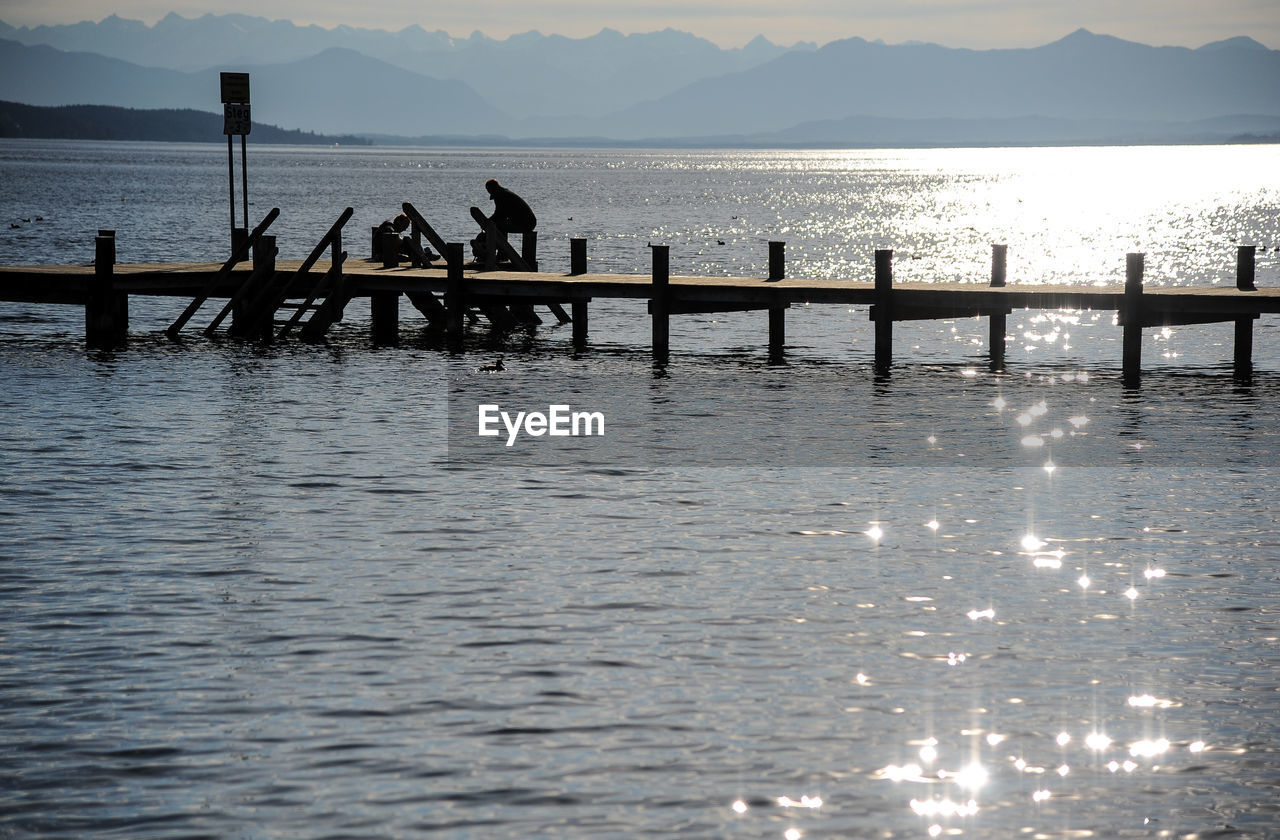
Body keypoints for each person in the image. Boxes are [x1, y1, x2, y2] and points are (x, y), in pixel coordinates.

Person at [470, 179, 537, 265]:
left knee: (499, 227)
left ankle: (502, 254)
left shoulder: (501, 195)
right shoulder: (503, 193)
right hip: (529, 222)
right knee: (499, 225)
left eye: (489, 191)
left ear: (491, 189)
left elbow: (499, 214)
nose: (489, 193)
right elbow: (500, 215)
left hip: (526, 224)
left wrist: (487, 223)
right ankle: (501, 253)